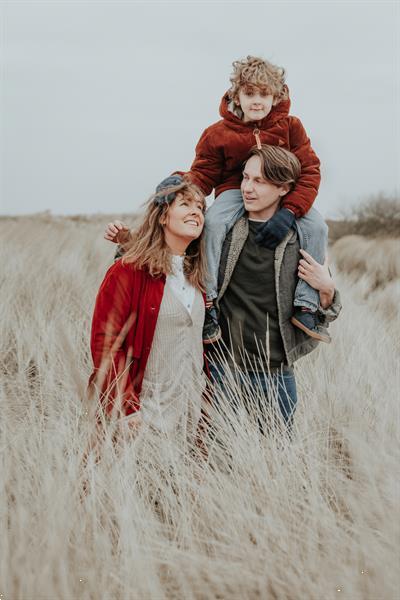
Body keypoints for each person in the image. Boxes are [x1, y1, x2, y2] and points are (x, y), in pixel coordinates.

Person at [163, 55, 328, 344]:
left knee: (318, 228)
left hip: (285, 193)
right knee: (213, 224)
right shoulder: (218, 134)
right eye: (250, 93)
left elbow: (310, 170)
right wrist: (180, 182)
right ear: (236, 95)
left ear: (276, 96)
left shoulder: (291, 127)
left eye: (264, 94)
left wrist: (290, 211)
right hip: (235, 190)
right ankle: (210, 302)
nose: (257, 101)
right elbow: (204, 174)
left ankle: (306, 305)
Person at [207, 144, 341, 428]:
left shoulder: (300, 237)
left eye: (259, 181)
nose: (247, 188)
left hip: (276, 373)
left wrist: (327, 289)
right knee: (217, 461)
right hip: (221, 368)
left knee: (276, 461)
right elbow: (171, 258)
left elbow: (323, 312)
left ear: (283, 188)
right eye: (245, 177)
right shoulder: (223, 231)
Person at [88, 179, 208, 440]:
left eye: (200, 207)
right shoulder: (128, 271)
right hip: (144, 416)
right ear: (163, 216)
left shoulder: (198, 277)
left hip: (190, 416)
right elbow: (105, 344)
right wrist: (127, 409)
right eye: (185, 204)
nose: (196, 211)